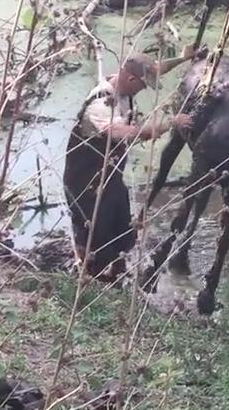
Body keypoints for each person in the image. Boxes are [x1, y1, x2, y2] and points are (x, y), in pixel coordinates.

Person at [62, 47, 194, 282]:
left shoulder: (124, 83)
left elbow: (156, 68)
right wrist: (170, 123)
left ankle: (118, 272)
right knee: (97, 237)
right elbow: (127, 133)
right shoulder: (102, 104)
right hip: (86, 182)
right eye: (142, 85)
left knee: (123, 231)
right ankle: (92, 280)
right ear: (131, 79)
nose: (143, 90)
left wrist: (184, 58)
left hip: (110, 176)